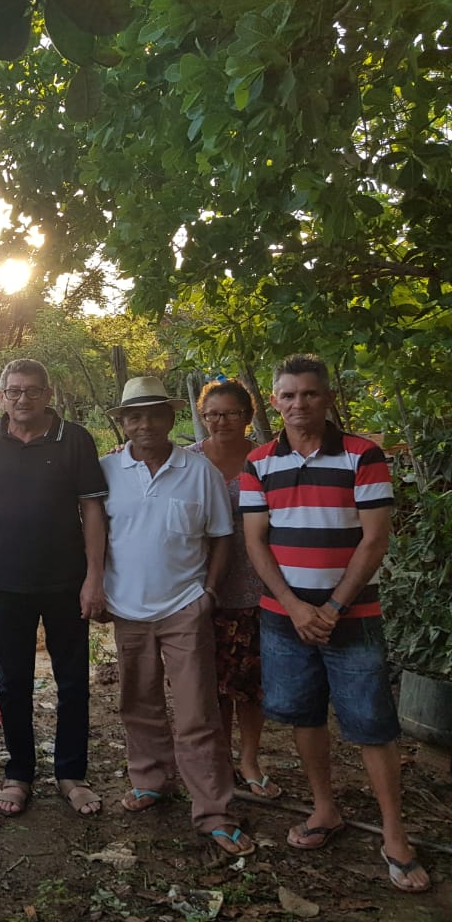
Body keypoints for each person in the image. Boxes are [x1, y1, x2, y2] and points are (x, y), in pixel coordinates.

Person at [241, 354, 429, 893]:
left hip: (352, 618)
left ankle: (394, 834)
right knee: (305, 717)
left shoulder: (361, 455)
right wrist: (297, 608)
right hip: (284, 619)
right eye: (289, 396)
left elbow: (374, 540)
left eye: (309, 394)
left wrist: (332, 609)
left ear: (326, 398)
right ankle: (326, 810)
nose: (299, 404)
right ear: (274, 402)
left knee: (373, 725)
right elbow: (256, 543)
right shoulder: (259, 463)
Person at [100, 376, 254, 857]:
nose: (144, 424)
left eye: (154, 414)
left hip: (185, 607)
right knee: (138, 702)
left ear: (171, 418)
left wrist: (208, 591)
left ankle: (214, 810)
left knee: (197, 713)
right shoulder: (104, 471)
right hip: (127, 608)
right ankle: (151, 781)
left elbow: (220, 536)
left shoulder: (199, 470)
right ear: (123, 423)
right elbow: (91, 536)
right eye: (134, 416)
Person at [0, 359, 109, 818]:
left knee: (72, 682)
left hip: (67, 581)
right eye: (13, 391)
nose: (22, 399)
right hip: (9, 580)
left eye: (31, 391)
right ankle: (20, 773)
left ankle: (71, 773)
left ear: (48, 394)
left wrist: (94, 576)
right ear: (1, 396)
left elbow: (92, 511)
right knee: (13, 683)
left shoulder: (76, 439)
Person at [188, 380, 281, 799]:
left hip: (257, 586)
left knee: (250, 685)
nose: (221, 421)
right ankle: (219, 758)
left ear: (248, 416)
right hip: (198, 589)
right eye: (212, 414)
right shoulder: (186, 463)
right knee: (212, 684)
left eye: (230, 413)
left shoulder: (268, 460)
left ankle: (249, 758)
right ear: (201, 416)